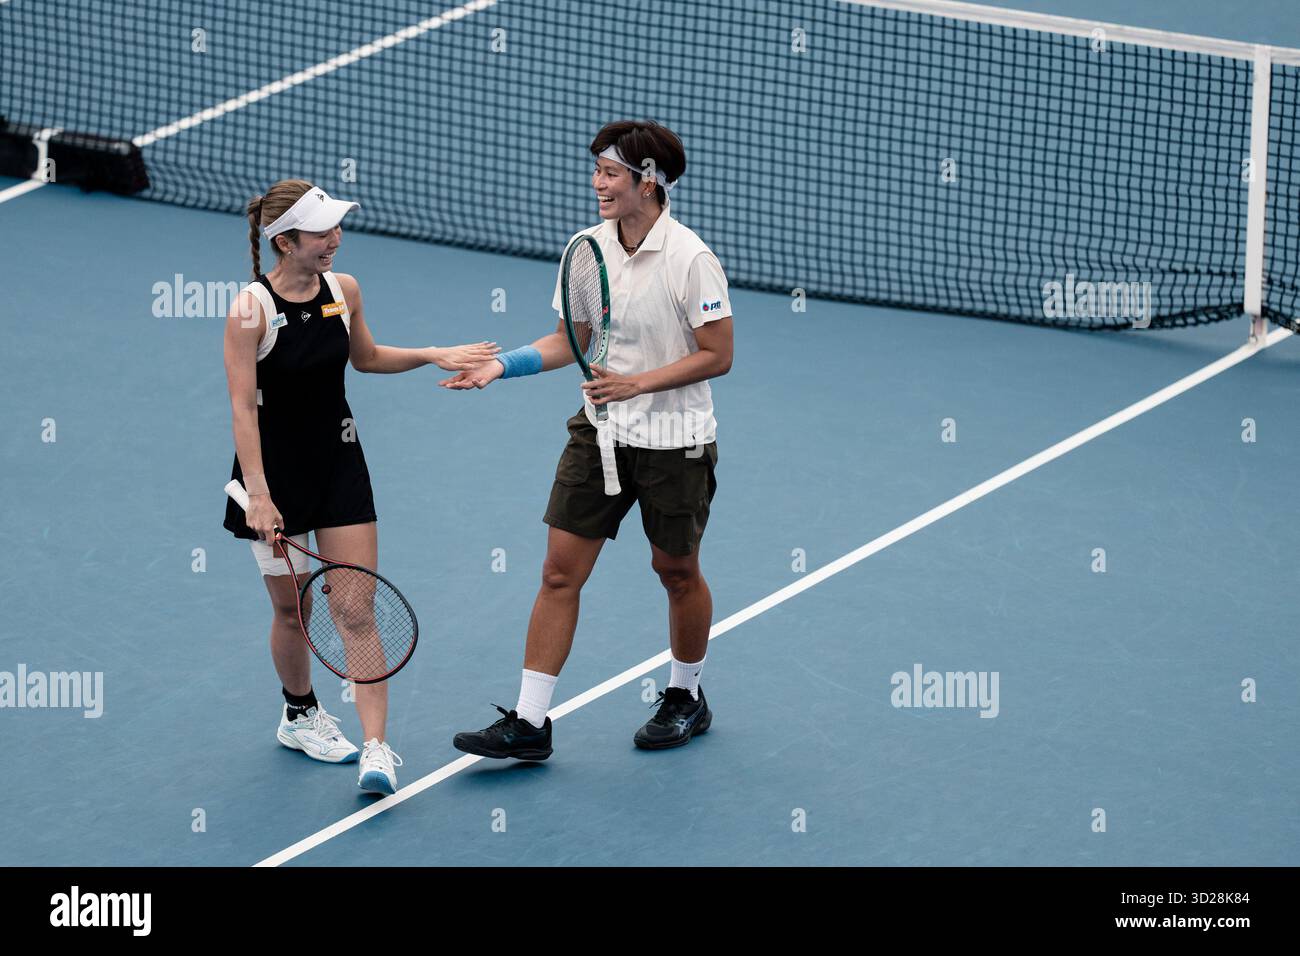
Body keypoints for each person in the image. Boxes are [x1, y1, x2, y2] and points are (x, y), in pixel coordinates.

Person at [443, 121, 734, 759]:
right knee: (557, 573)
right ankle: (530, 721)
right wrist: (502, 366)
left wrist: (638, 384)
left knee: (676, 571)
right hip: (598, 432)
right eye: (597, 171)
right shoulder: (586, 249)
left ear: (648, 180)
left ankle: (687, 696)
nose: (597, 183)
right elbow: (566, 340)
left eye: (610, 173)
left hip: (675, 442)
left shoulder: (691, 259)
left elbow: (719, 354)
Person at [223, 179, 498, 793]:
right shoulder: (250, 310)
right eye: (321, 231)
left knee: (355, 607)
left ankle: (377, 748)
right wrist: (261, 494)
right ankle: (299, 714)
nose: (335, 238)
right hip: (273, 479)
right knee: (294, 612)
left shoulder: (344, 291)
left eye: (336, 227)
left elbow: (366, 358)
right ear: (285, 240)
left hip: (340, 464)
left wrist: (432, 353)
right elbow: (243, 409)